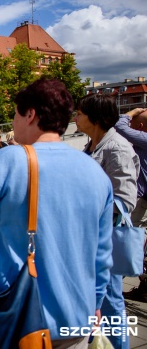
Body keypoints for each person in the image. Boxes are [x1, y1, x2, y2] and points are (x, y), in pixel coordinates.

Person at [0, 79, 114, 348]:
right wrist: (95, 304)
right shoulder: (95, 171)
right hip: (76, 317)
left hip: (19, 317)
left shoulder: (10, 160)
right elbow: (102, 255)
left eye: (15, 113)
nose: (13, 122)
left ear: (30, 114)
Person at [75, 94, 138, 348]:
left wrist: (87, 207)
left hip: (107, 237)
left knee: (111, 300)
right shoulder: (92, 144)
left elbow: (125, 200)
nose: (75, 117)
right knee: (96, 298)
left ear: (97, 118)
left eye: (80, 113)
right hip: (90, 236)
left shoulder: (118, 147)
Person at [116, 108, 147, 301]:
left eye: (134, 124)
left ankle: (125, 271)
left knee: (130, 234)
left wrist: (132, 112)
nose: (131, 126)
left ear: (141, 127)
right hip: (143, 197)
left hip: (141, 198)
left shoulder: (144, 138)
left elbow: (119, 126)